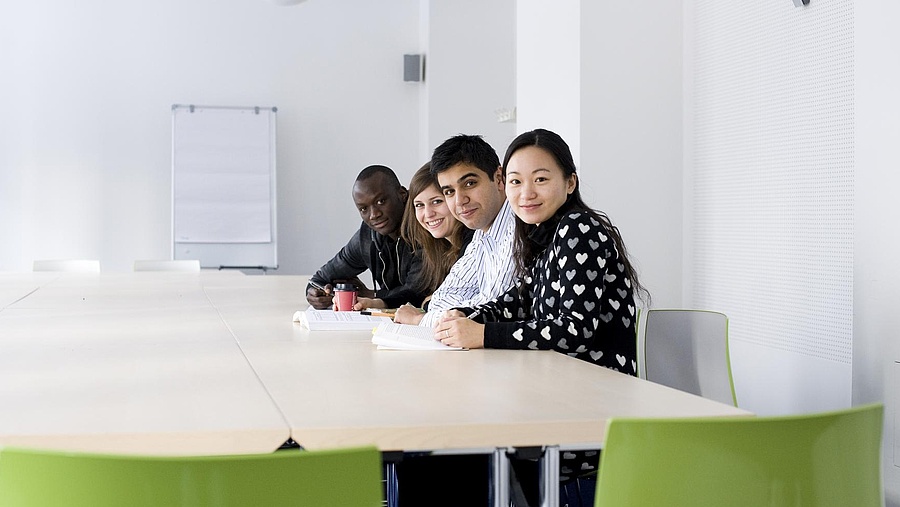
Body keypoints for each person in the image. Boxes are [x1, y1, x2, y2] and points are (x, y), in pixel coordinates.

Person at [433, 128, 648, 501]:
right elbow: (517, 302)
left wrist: (482, 334)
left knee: (454, 452)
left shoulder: (579, 229)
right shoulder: (544, 235)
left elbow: (574, 331)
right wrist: (463, 316)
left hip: (589, 415)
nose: (526, 193)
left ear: (570, 182)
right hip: (555, 398)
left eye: (541, 179)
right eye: (516, 182)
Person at [393, 134, 517, 326]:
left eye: (469, 184)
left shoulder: (515, 229)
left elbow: (488, 311)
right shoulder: (482, 234)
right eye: (449, 191)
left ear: (499, 178)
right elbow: (442, 298)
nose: (460, 201)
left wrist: (420, 319)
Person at [305, 165, 427, 310]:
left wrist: (372, 294)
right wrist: (316, 293)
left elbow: (416, 293)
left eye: (381, 201)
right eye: (364, 209)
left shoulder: (425, 227)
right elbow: (320, 278)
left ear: (402, 194)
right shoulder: (368, 235)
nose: (373, 214)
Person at [398, 163, 473, 301]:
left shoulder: (473, 243)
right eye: (419, 205)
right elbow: (417, 291)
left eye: (437, 201)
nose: (428, 214)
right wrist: (379, 301)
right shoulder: (437, 248)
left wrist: (430, 302)